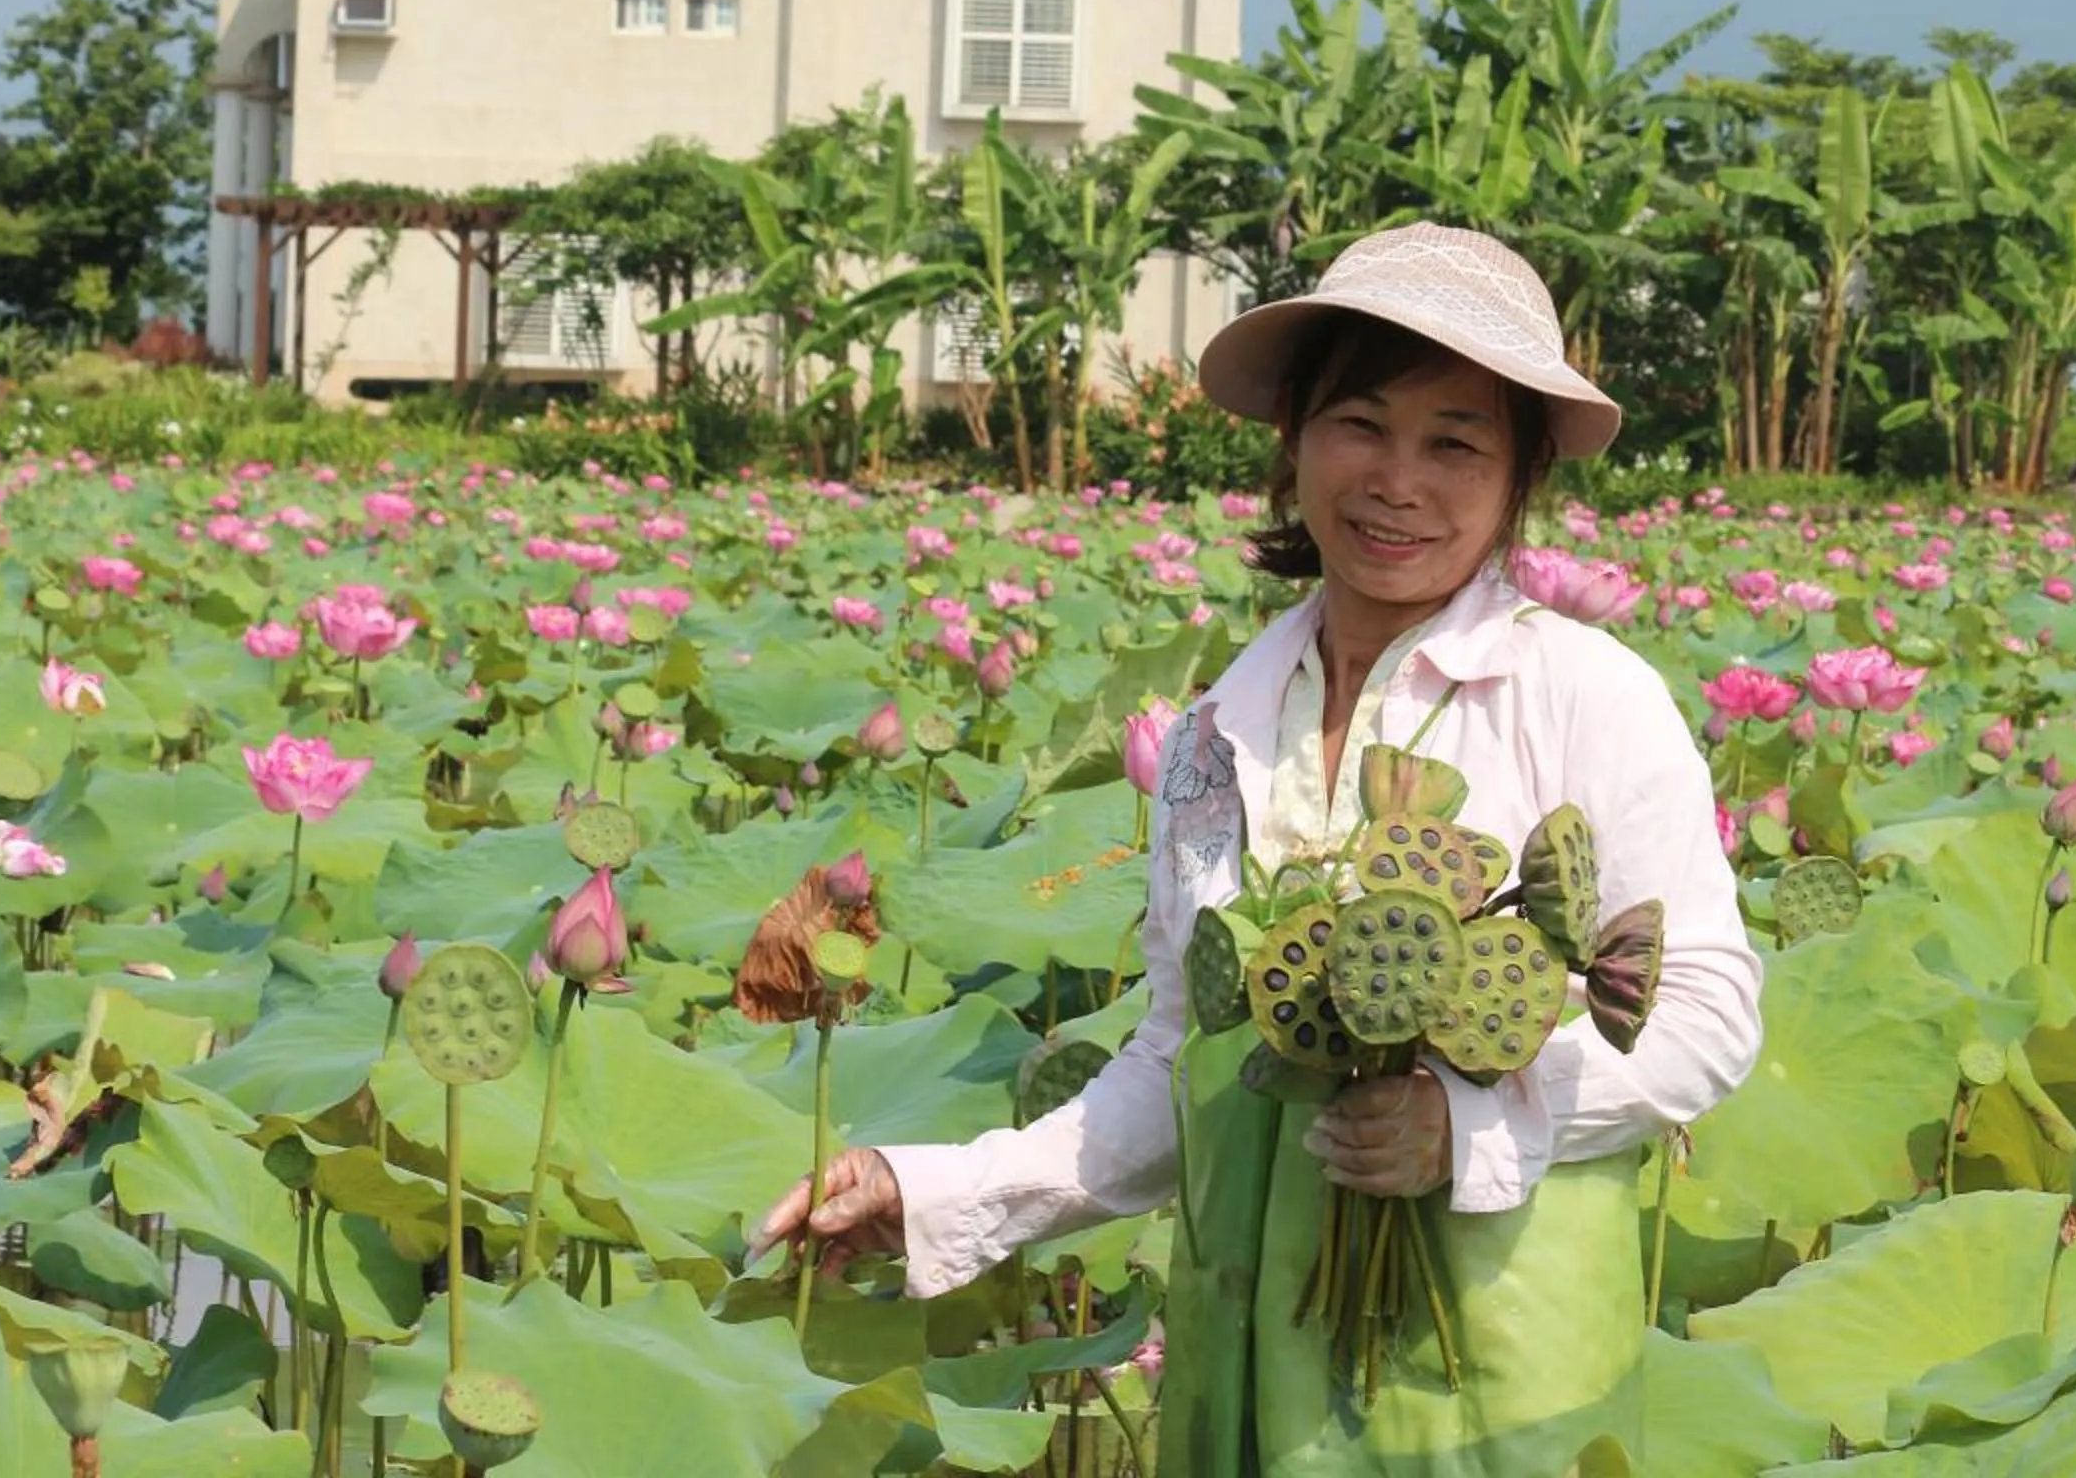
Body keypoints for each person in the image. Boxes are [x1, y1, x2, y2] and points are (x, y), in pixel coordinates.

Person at [751, 223, 1764, 1472]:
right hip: (1242, 1360)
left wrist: (1471, 1119)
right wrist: (943, 1191)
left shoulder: (1585, 696)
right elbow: (1185, 1059)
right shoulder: (1212, 732)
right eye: (1361, 424)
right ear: (1294, 435)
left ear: (1520, 475)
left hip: (1503, 1373)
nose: (1398, 480)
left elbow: (1706, 1010)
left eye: (1455, 442)